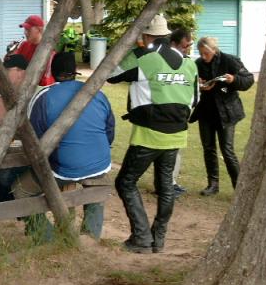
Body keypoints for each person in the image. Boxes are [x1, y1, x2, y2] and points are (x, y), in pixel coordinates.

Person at [108, 14, 198, 254]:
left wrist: (132, 49)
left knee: (125, 182)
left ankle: (141, 237)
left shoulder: (145, 59)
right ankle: (158, 239)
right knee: (166, 186)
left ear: (146, 36)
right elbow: (195, 100)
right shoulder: (189, 64)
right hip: (177, 135)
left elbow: (110, 74)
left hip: (148, 134)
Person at [12, 52, 115, 241]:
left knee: (20, 190)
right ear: (75, 72)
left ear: (52, 72)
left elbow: (35, 141)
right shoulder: (97, 93)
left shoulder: (44, 97)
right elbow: (109, 132)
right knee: (96, 181)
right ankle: (91, 236)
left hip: (63, 167)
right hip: (100, 162)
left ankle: (47, 237)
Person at [190, 36, 254, 195]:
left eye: (206, 53)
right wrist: (199, 85)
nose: (203, 56)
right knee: (208, 148)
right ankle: (213, 185)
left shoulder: (230, 60)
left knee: (227, 150)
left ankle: (239, 188)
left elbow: (248, 80)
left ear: (214, 50)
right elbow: (192, 83)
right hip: (206, 111)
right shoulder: (198, 64)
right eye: (201, 53)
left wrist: (234, 79)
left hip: (227, 112)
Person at [167, 28, 194, 198]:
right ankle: (166, 185)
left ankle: (172, 183)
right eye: (184, 46)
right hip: (166, 115)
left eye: (189, 45)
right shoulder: (163, 61)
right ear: (173, 44)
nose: (187, 49)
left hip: (181, 115)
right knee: (167, 152)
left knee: (176, 151)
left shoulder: (188, 63)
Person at [11, 15, 55, 86]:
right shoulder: (24, 45)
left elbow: (46, 81)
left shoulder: (47, 51)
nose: (25, 33)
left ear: (39, 30)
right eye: (25, 29)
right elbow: (13, 67)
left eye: (28, 30)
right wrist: (11, 53)